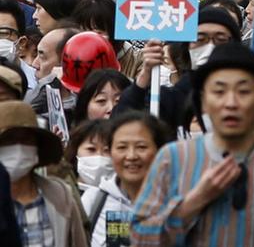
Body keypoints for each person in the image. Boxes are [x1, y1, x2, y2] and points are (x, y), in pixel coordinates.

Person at [131, 43, 254, 245]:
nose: (231, 103)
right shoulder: (171, 159)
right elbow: (139, 237)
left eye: (243, 91)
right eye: (219, 92)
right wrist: (192, 203)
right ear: (203, 99)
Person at [114, 7, 242, 134]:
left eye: (220, 40)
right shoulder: (170, 100)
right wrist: (145, 75)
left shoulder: (246, 98)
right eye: (200, 39)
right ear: (188, 48)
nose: (210, 46)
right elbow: (120, 124)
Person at [0, 101, 88, 247]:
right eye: (9, 141)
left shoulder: (60, 195)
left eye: (26, 140)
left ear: (37, 147)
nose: (19, 147)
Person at [82, 112, 169, 247]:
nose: (131, 156)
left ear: (160, 151)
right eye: (122, 147)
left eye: (141, 147)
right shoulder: (93, 201)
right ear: (110, 152)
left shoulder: (174, 202)